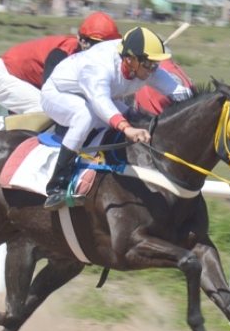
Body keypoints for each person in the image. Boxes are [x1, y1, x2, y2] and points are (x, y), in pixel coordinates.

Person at [39, 26, 182, 210]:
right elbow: (100, 102)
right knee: (86, 116)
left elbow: (178, 91)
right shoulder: (99, 66)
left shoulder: (142, 65)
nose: (153, 70)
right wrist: (126, 128)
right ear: (130, 60)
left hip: (95, 98)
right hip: (58, 95)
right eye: (150, 64)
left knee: (135, 117)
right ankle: (57, 185)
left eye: (156, 64)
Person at [0, 12, 121, 115]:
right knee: (44, 109)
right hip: (4, 75)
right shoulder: (63, 53)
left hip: (28, 79)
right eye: (99, 46)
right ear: (83, 41)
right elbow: (51, 95)